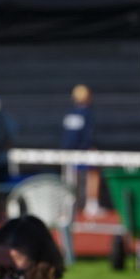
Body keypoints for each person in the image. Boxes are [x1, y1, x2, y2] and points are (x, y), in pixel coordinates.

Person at [61, 84, 102, 215]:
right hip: (83, 151)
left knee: (72, 177)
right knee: (93, 173)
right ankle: (91, 204)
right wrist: (88, 147)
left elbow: (66, 135)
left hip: (70, 151)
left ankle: (72, 204)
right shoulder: (87, 113)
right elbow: (87, 134)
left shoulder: (69, 113)